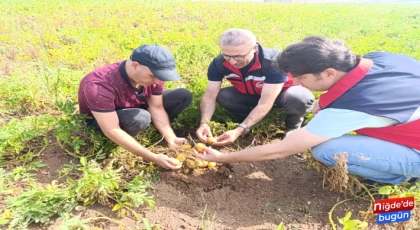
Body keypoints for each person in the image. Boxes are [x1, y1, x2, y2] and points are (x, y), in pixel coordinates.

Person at [195, 36, 420, 185]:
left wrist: (224, 157)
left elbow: (280, 150)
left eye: (301, 78)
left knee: (325, 149)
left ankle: (399, 178)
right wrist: (325, 102)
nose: (298, 83)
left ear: (330, 72)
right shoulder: (380, 58)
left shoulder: (352, 106)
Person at [78, 44, 193, 170]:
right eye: (153, 76)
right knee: (141, 118)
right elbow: (111, 129)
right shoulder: (98, 85)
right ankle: (131, 135)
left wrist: (170, 137)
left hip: (136, 105)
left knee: (182, 96)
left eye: (160, 77)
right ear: (135, 65)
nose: (157, 81)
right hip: (106, 119)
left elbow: (156, 107)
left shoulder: (155, 76)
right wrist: (152, 157)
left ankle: (150, 126)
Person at [196, 28, 314, 146]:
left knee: (300, 97)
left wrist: (239, 130)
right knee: (224, 96)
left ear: (254, 48)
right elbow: (209, 96)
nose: (232, 62)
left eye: (238, 56)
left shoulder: (273, 62)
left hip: (280, 95)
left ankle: (292, 128)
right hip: (251, 95)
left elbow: (266, 102)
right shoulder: (219, 63)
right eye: (227, 56)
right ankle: (248, 121)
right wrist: (204, 123)